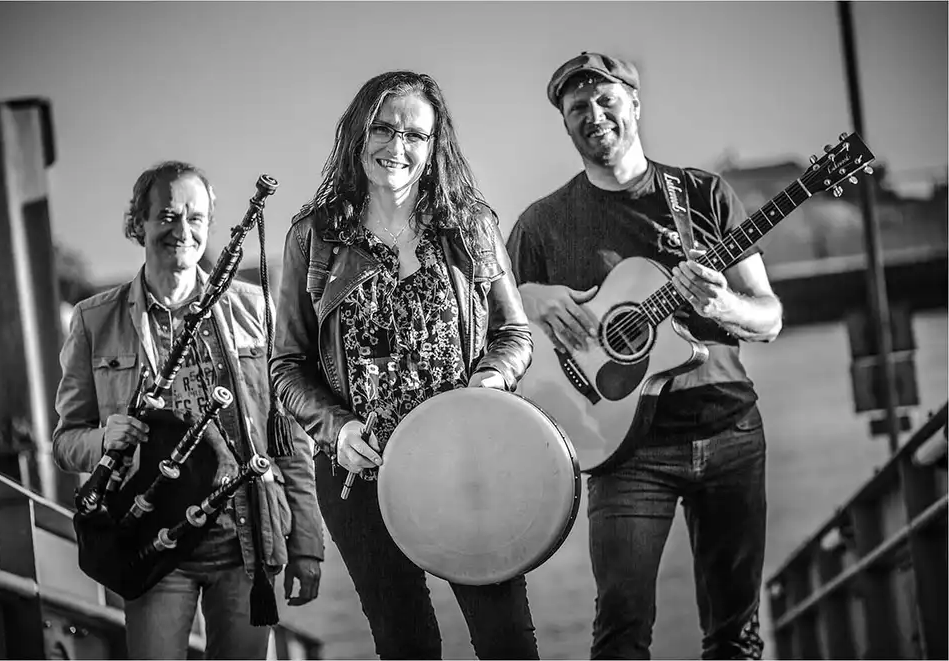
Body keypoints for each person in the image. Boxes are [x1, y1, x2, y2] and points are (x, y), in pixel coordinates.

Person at [506, 53, 783, 659]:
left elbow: (769, 316)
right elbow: (498, 331)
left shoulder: (704, 194)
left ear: (634, 103)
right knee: (621, 634)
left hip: (730, 430)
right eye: (577, 107)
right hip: (622, 450)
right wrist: (534, 297)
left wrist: (723, 306)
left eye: (606, 99)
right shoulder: (540, 225)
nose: (594, 114)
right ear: (566, 125)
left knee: (735, 636)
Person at [270, 70, 539, 660]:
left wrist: (491, 379)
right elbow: (287, 366)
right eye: (384, 129)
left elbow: (514, 333)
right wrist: (335, 429)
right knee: (407, 643)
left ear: (434, 144)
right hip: (361, 475)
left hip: (466, 463)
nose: (397, 146)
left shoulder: (470, 226)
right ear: (357, 134)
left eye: (415, 134)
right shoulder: (312, 238)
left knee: (506, 640)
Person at [52, 161, 324, 659]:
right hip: (149, 544)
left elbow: (288, 440)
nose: (182, 231)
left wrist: (307, 544)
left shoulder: (254, 310)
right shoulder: (94, 320)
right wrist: (104, 439)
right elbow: (66, 443)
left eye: (196, 218)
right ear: (140, 224)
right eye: (168, 216)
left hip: (247, 541)